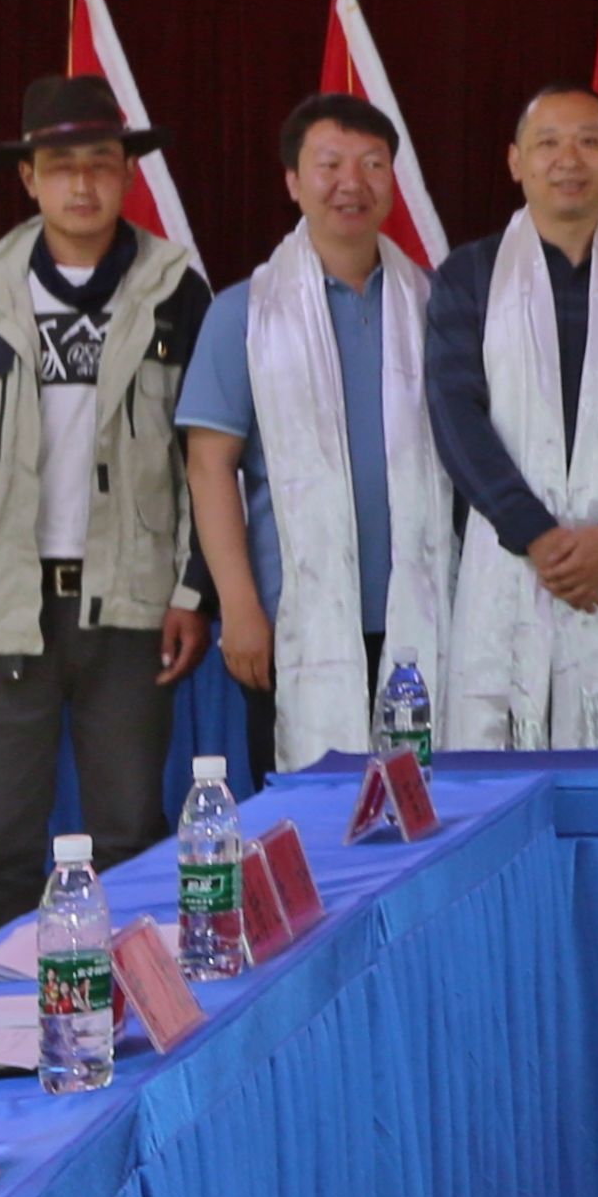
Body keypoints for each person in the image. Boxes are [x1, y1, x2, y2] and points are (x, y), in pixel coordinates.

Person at [0, 74, 211, 906]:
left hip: (132, 605)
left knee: (130, 834)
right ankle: (8, 986)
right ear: (27, 178)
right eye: (61, 166)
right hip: (7, 605)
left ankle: (130, 987)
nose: (83, 184)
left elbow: (203, 459)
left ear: (128, 174)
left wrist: (193, 590)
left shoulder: (176, 294)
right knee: (0, 841)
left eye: (102, 163)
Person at [185, 94, 466, 766]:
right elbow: (209, 466)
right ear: (292, 180)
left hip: (428, 617)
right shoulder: (245, 313)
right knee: (308, 813)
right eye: (330, 164)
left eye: (373, 164)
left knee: (428, 807)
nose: (352, 183)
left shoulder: (439, 306)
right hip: (291, 623)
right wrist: (240, 608)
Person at [427, 83, 598, 751]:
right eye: (547, 142)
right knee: (499, 766)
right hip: (508, 553)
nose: (568, 159)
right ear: (515, 161)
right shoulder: (470, 275)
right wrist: (537, 534)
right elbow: (455, 415)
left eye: (589, 142)